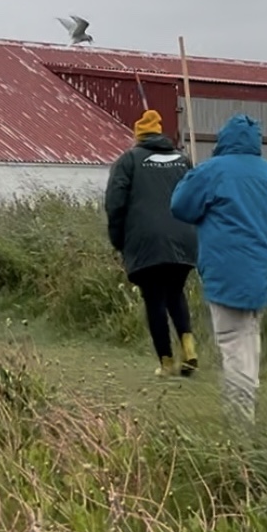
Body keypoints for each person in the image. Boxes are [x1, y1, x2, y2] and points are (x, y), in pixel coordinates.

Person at [170, 113, 267, 423]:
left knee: (234, 344)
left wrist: (191, 175)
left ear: (223, 139)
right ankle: (246, 406)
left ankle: (240, 426)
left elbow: (181, 205)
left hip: (230, 270)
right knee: (249, 336)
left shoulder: (212, 170)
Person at [104, 109, 199, 378]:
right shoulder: (182, 159)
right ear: (160, 133)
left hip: (146, 242)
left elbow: (115, 203)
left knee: (154, 298)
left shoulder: (129, 160)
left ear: (138, 136)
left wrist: (117, 239)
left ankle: (167, 361)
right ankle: (188, 344)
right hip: (184, 239)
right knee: (175, 292)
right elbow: (195, 195)